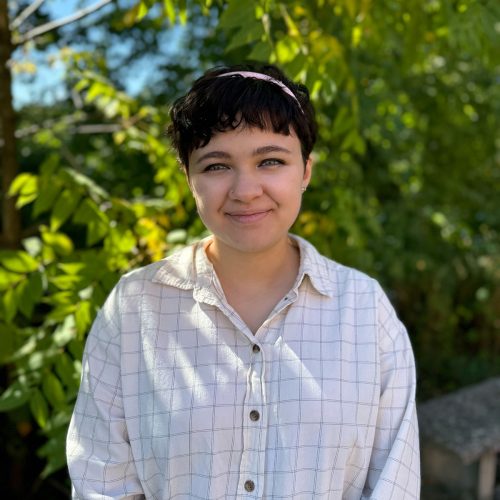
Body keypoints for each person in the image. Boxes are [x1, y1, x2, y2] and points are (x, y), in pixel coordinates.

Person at [66, 63, 420, 499]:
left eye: (270, 160)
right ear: (188, 177)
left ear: (306, 170)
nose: (245, 189)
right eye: (217, 166)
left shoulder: (365, 309)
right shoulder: (135, 308)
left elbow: (394, 485)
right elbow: (102, 484)